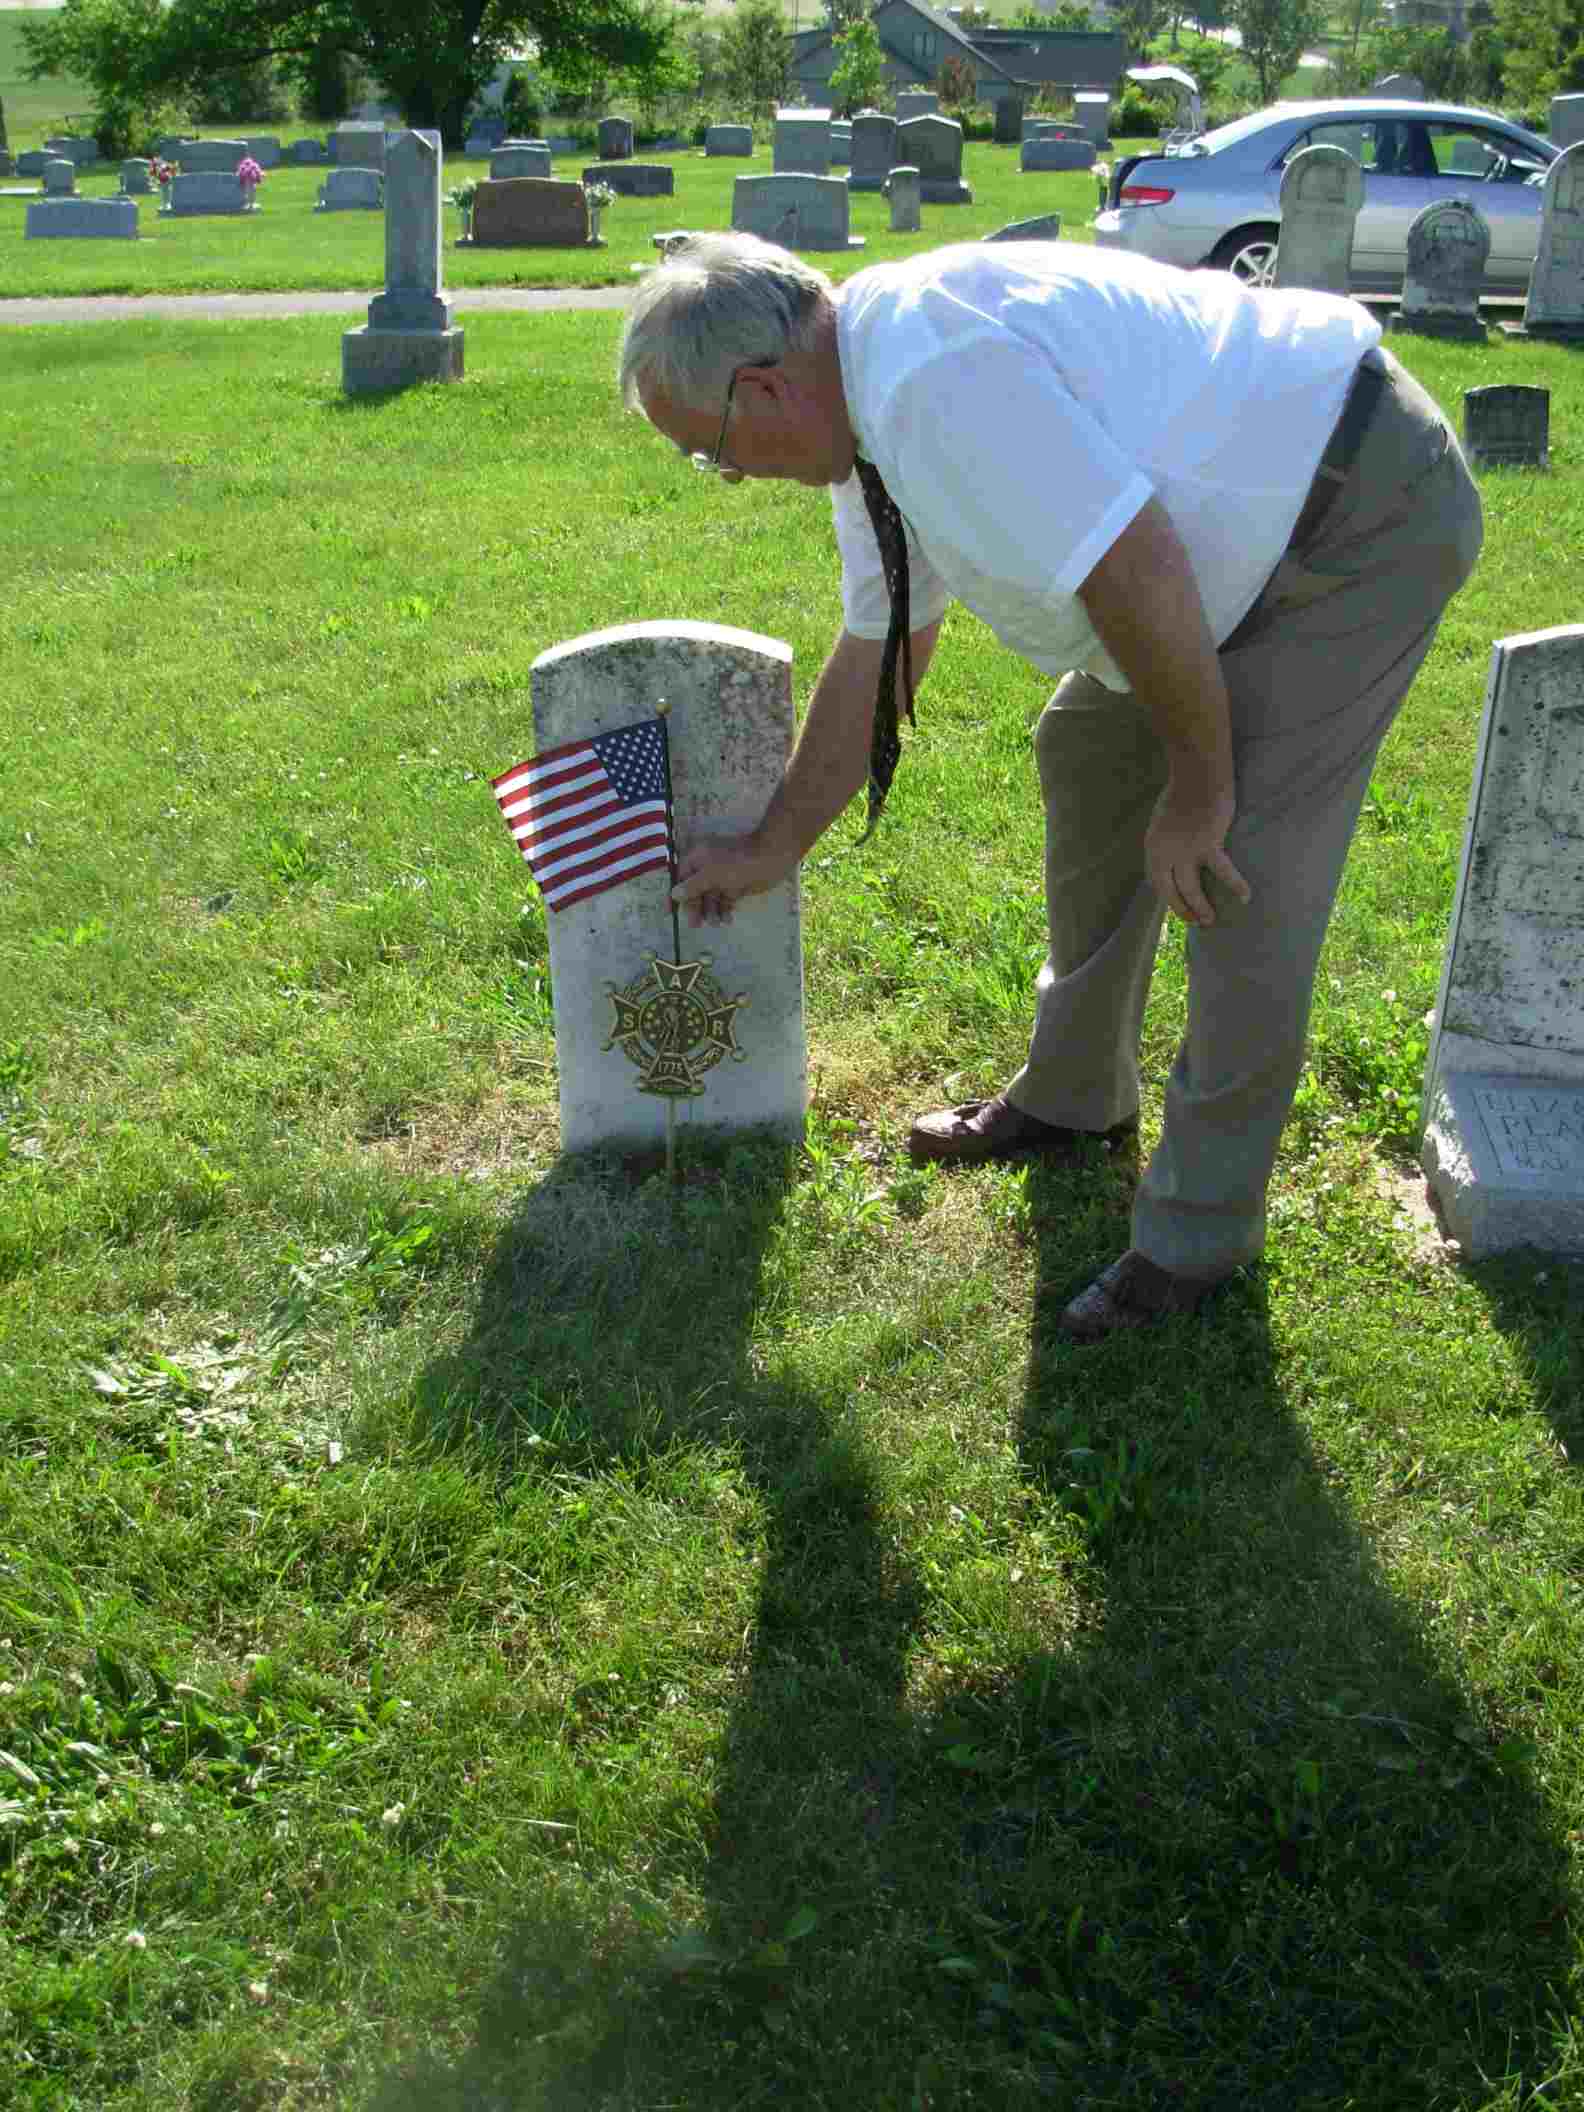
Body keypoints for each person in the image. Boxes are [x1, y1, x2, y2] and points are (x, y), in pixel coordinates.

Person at [617, 233, 1482, 1341]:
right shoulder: (869, 407)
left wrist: (1199, 790)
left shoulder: (931, 380)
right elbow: (883, 650)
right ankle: (1077, 1094)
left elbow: (1137, 568)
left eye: (715, 451)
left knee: (1240, 868)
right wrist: (777, 842)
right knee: (1090, 746)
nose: (729, 476)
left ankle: (1196, 1239)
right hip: (1225, 547)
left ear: (765, 386)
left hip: (1352, 516)